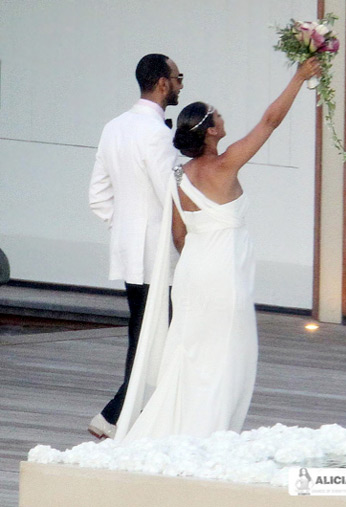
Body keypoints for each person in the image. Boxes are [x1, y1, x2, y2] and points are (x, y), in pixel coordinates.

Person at [114, 57, 321, 442]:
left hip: (194, 270)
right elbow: (270, 122)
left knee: (191, 355)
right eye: (219, 117)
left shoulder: (178, 175)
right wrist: (299, 78)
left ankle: (180, 431)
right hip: (224, 270)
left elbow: (178, 236)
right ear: (210, 131)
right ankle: (209, 434)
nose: (224, 120)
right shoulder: (226, 165)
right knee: (230, 355)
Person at [87, 53, 184, 439]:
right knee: (158, 336)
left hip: (129, 250)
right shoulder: (157, 134)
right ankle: (116, 416)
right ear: (162, 83)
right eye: (178, 77)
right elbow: (170, 196)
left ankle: (125, 415)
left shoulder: (114, 127)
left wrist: (125, 225)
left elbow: (98, 196)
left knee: (142, 333)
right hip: (158, 255)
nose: (180, 84)